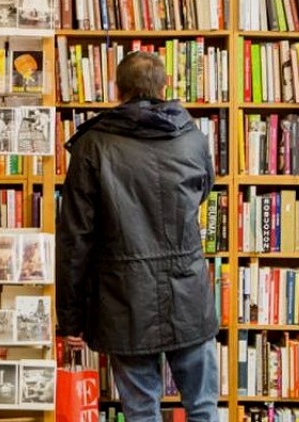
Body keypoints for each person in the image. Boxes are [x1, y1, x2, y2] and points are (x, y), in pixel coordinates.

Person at [56, 51, 218, 421]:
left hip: (124, 299)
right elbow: (203, 192)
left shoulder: (93, 145)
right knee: (203, 407)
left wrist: (71, 319)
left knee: (141, 411)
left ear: (118, 90)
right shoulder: (193, 139)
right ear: (165, 87)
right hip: (188, 293)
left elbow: (74, 239)